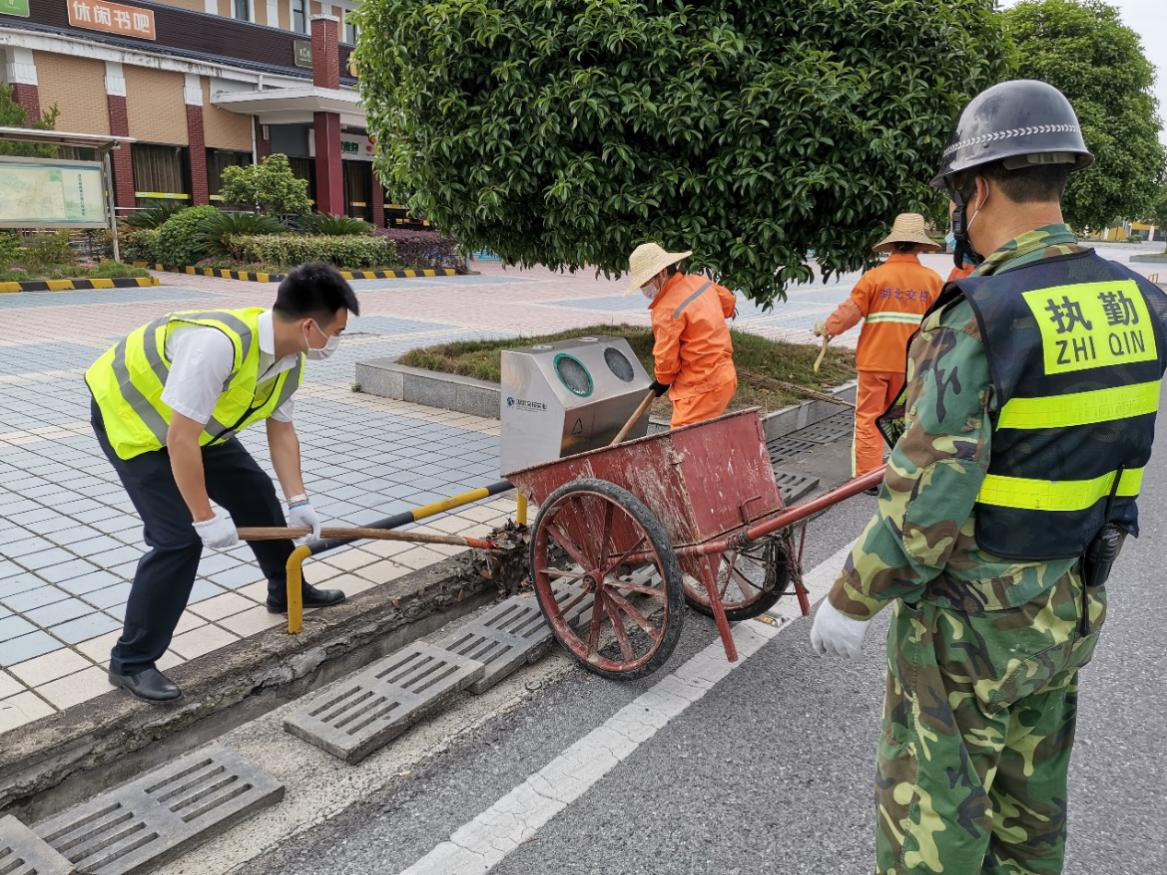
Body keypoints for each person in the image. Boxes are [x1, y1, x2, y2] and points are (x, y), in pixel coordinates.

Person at [810, 79, 1167, 873]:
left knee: (933, 820)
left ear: (975, 190)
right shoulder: (1140, 300)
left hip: (967, 626)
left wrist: (851, 597)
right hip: (1070, 601)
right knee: (1029, 810)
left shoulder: (982, 311)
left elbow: (926, 498)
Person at [86, 262, 360, 703]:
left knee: (255, 494)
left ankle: (285, 587)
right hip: (134, 424)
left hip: (196, 426)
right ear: (310, 325)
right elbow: (179, 440)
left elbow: (281, 430)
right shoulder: (216, 345)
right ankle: (131, 661)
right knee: (177, 540)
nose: (336, 342)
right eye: (338, 332)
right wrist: (204, 516)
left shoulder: (290, 358)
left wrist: (299, 500)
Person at [813, 213, 943, 479]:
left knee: (869, 419)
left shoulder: (875, 278)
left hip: (874, 362)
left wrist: (827, 328)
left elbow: (851, 311)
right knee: (907, 419)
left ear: (892, 244)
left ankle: (867, 477)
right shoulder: (932, 281)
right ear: (920, 245)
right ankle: (904, 472)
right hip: (912, 365)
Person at [626, 242, 738, 428]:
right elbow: (728, 303)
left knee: (684, 442)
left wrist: (662, 381)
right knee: (701, 438)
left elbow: (666, 358)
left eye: (645, 283)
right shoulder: (699, 282)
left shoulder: (666, 309)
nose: (644, 290)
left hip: (700, 387)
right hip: (724, 377)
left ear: (661, 273)